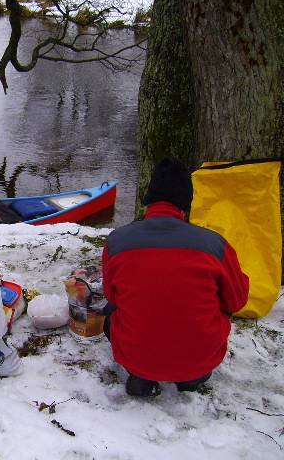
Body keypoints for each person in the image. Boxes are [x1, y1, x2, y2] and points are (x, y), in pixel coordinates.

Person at [101, 158, 249, 397]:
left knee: (110, 309)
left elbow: (112, 295)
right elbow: (237, 301)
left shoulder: (117, 241)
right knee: (218, 308)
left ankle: (141, 375)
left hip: (136, 357)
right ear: (185, 204)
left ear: (148, 200)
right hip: (200, 358)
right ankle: (191, 377)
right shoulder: (215, 245)